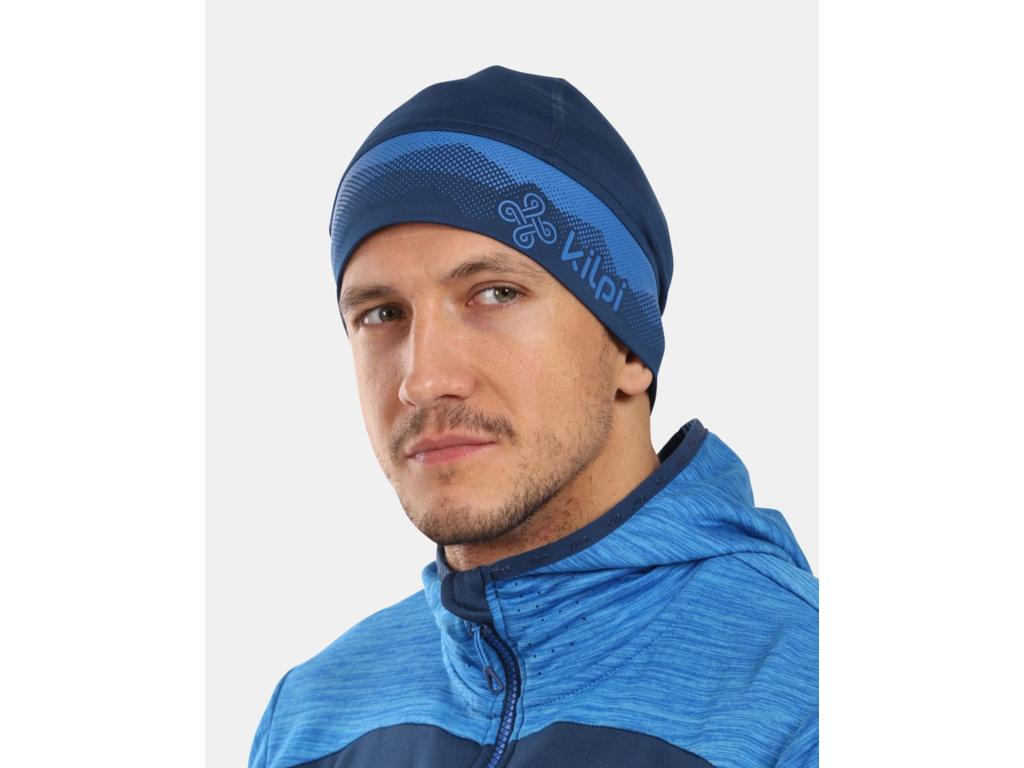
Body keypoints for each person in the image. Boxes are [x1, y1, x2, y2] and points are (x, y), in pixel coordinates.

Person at [249, 66, 818, 768]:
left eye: (495, 294)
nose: (423, 381)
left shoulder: (805, 702)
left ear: (628, 348)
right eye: (382, 313)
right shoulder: (311, 717)